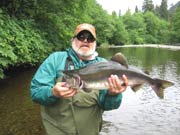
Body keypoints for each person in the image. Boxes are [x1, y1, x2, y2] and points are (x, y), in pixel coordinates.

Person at [30, 23, 128, 135]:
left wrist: (113, 95)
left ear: (95, 43)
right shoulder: (55, 59)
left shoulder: (104, 65)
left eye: (90, 38)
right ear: (73, 40)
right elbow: (35, 92)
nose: (86, 40)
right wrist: (53, 93)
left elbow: (109, 105)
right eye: (81, 37)